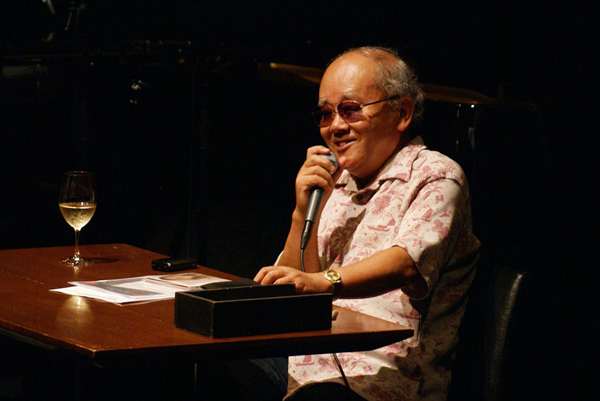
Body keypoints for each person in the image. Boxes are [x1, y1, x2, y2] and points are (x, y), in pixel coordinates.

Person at [254, 46, 480, 400]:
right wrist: (302, 213)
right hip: (302, 364)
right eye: (325, 114)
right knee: (207, 369)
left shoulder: (436, 176)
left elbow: (405, 264)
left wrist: (322, 282)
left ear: (402, 113)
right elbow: (300, 292)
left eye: (350, 110)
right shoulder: (336, 181)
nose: (335, 126)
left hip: (380, 377)